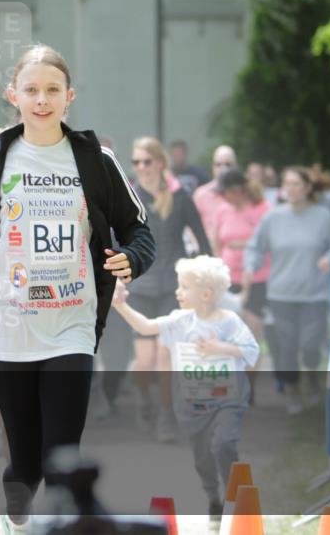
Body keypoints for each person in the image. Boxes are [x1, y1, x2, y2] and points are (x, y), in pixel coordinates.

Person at [0, 45, 156, 533]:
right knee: (26, 463)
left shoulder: (96, 160)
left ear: (69, 97)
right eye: (31, 90)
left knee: (62, 457)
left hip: (71, 324)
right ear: (14, 96)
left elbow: (139, 231)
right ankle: (17, 521)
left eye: (52, 90)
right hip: (7, 326)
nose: (42, 99)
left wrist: (131, 259)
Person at [111, 256, 259, 518]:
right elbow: (145, 326)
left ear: (205, 294)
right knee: (202, 455)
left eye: (184, 287)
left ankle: (231, 495)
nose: (177, 291)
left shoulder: (229, 321)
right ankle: (212, 494)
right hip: (193, 404)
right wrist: (120, 305)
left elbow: (251, 351)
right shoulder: (180, 320)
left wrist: (220, 348)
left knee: (224, 443)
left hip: (228, 399)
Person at [125, 137, 211, 441]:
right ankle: (143, 397)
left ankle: (166, 417)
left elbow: (203, 241)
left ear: (160, 163)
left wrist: (204, 278)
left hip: (174, 288)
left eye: (147, 161)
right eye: (136, 162)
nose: (141, 168)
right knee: (144, 361)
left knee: (166, 355)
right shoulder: (128, 197)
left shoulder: (181, 197)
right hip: (140, 287)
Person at [243, 167, 330, 414]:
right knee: (287, 347)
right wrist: (250, 266)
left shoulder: (323, 217)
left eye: (296, 184)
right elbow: (255, 247)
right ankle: (293, 393)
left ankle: (311, 378)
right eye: (286, 184)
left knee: (311, 345)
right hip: (281, 294)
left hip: (314, 294)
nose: (290, 189)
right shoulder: (273, 218)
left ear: (307, 188)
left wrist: (329, 258)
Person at [212, 168, 271, 401]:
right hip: (228, 278)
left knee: (252, 331)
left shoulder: (262, 209)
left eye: (225, 192)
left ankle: (249, 385)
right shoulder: (222, 210)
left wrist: (242, 244)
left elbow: (266, 241)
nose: (223, 197)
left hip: (257, 278)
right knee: (227, 333)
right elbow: (217, 241)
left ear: (238, 191)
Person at [192, 145, 238, 246]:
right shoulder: (201, 195)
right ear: (213, 167)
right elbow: (191, 227)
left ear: (236, 167)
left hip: (235, 254)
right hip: (209, 255)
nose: (223, 168)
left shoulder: (242, 195)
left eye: (228, 164)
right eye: (218, 164)